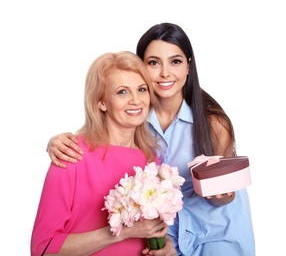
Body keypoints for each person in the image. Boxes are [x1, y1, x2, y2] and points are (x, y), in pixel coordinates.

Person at [46, 23, 255, 255]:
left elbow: (223, 198)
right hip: (165, 235)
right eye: (154, 63)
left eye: (175, 61)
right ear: (140, 67)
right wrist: (57, 140)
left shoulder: (213, 125)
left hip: (215, 232)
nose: (165, 73)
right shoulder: (134, 118)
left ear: (188, 66)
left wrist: (222, 193)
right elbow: (99, 133)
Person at [31, 51, 176, 256]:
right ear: (101, 102)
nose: (136, 100)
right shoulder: (71, 155)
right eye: (122, 92)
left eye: (141, 90)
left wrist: (165, 245)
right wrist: (121, 232)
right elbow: (43, 249)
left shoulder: (151, 159)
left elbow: (149, 230)